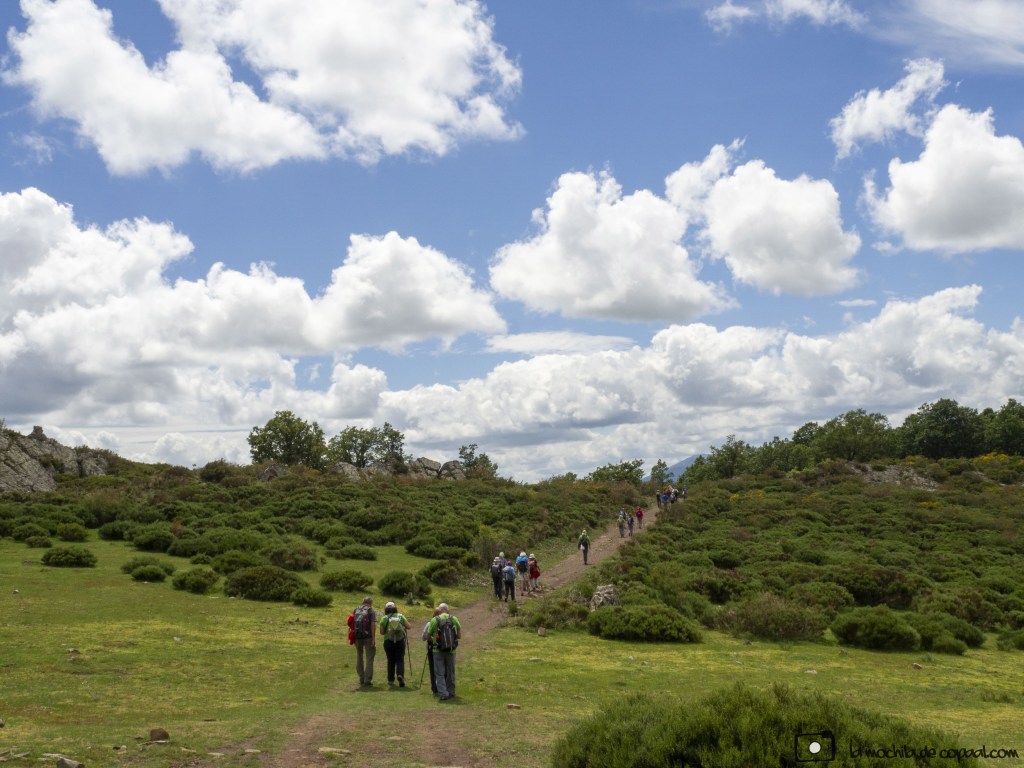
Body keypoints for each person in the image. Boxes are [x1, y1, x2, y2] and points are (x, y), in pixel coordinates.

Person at [427, 602, 462, 701]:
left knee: (439, 672)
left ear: (439, 610)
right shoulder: (454, 619)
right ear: (448, 610)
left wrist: (434, 640)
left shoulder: (434, 620)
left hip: (437, 650)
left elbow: (428, 636)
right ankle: (451, 692)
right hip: (451, 650)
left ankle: (443, 693)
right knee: (450, 671)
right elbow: (459, 636)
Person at [379, 601, 409, 687]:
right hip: (400, 640)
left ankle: (390, 680)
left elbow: (381, 632)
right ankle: (400, 675)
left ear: (386, 609)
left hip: (388, 641)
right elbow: (409, 626)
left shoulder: (384, 618)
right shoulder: (400, 616)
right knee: (400, 659)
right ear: (395, 608)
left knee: (390, 660)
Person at [352, 596, 376, 687]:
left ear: (363, 602)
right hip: (368, 637)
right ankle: (367, 680)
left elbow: (351, 623)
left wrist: (352, 637)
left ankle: (361, 678)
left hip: (357, 636)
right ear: (371, 603)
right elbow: (373, 625)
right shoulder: (370, 611)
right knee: (369, 657)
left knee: (359, 655)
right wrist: (373, 638)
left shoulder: (356, 609)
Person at [421, 607, 441, 696]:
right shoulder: (445, 623)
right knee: (441, 668)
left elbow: (423, 637)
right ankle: (442, 687)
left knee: (433, 669)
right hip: (442, 649)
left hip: (431, 648)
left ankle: (434, 689)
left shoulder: (429, 623)